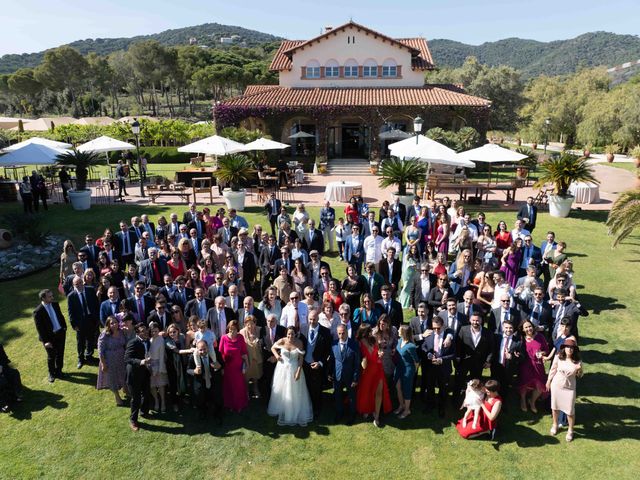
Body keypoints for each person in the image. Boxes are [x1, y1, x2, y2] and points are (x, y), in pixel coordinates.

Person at [267, 326, 314, 426]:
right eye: (289, 334)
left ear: (295, 334)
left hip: (294, 369)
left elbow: (300, 359)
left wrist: (298, 371)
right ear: (286, 334)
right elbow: (273, 347)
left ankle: (293, 411)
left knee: (293, 391)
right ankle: (282, 409)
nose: (290, 336)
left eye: (292, 334)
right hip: (281, 369)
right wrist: (277, 356)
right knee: (281, 390)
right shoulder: (282, 341)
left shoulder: (299, 343)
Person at [547, 338, 583, 442]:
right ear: (564, 348)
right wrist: (549, 380)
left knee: (570, 411)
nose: (569, 349)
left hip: (569, 388)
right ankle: (555, 425)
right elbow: (553, 369)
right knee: (555, 407)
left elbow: (580, 376)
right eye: (568, 347)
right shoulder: (558, 356)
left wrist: (579, 370)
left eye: (572, 348)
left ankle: (570, 430)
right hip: (556, 385)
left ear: (574, 349)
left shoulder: (578, 361)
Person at [356, 325, 391, 427]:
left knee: (378, 392)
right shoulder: (359, 342)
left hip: (378, 368)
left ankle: (376, 416)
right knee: (367, 392)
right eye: (368, 332)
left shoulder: (374, 339)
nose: (371, 333)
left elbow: (378, 351)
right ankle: (367, 409)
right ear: (363, 333)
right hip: (366, 371)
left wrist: (380, 353)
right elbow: (359, 357)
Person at [329, 324, 361, 425]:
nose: (341, 335)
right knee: (338, 396)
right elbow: (332, 361)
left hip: (350, 376)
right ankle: (339, 413)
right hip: (337, 376)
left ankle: (352, 416)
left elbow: (357, 363)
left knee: (352, 397)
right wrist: (329, 373)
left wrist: (355, 379)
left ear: (347, 332)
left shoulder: (354, 345)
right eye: (339, 333)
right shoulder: (334, 344)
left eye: (343, 333)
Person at [302, 309, 332, 417]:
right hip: (305, 364)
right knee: (306, 387)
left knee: (316, 389)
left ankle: (316, 410)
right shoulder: (303, 328)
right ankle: (307, 407)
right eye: (310, 319)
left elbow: (328, 351)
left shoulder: (325, 332)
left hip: (317, 365)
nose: (311, 321)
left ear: (318, 319)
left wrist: (320, 363)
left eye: (314, 319)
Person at [67, 276, 99, 369]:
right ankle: (81, 359)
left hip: (91, 319)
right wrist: (74, 325)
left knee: (91, 339)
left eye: (80, 282)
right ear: (73, 285)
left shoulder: (90, 290)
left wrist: (97, 318)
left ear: (83, 282)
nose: (79, 285)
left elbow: (96, 304)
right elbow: (71, 312)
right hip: (80, 323)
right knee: (80, 342)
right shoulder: (71, 296)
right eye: (77, 284)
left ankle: (89, 356)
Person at [518, 319, 549, 413]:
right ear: (523, 329)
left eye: (529, 326)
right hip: (525, 365)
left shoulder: (540, 336)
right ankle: (523, 400)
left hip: (538, 365)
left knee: (540, 386)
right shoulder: (521, 339)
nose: (528, 329)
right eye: (526, 327)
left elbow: (546, 349)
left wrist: (542, 353)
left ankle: (532, 401)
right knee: (524, 384)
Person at [218, 320, 249, 412]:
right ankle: (230, 404)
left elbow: (244, 352)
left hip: (238, 368)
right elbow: (220, 353)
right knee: (229, 386)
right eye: (230, 329)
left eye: (234, 330)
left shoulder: (240, 337)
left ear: (237, 330)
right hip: (227, 367)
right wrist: (222, 367)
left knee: (238, 387)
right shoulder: (223, 338)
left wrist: (247, 364)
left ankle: (239, 405)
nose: (232, 332)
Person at [125, 323, 151, 431]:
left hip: (145, 372)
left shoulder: (148, 341)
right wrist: (141, 361)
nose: (145, 332)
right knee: (135, 398)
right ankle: (133, 420)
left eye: (146, 330)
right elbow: (127, 358)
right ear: (137, 333)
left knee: (146, 393)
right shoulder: (133, 343)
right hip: (134, 374)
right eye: (142, 331)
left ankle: (144, 412)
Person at [97, 316, 127, 405]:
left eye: (115, 322)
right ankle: (117, 396)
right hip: (110, 360)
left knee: (123, 374)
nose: (114, 325)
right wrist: (103, 363)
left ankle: (126, 389)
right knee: (112, 378)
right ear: (108, 325)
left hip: (121, 358)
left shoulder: (121, 332)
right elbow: (100, 350)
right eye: (112, 323)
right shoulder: (104, 335)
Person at [393, 325, 419, 419]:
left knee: (407, 389)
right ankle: (401, 405)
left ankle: (407, 410)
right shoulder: (400, 341)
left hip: (407, 369)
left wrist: (413, 372)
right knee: (398, 387)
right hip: (399, 368)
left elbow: (416, 361)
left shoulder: (411, 346)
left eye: (399, 330)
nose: (398, 331)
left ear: (404, 332)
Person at [240, 315, 263, 399]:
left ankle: (255, 389)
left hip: (257, 357)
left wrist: (257, 340)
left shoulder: (259, 330)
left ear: (255, 323)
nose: (250, 326)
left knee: (256, 375)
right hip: (247, 358)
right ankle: (246, 390)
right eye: (248, 324)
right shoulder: (242, 332)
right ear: (245, 324)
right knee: (246, 376)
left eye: (252, 324)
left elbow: (262, 343)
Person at [148, 321, 169, 413]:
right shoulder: (148, 339)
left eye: (156, 331)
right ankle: (156, 401)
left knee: (160, 385)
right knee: (152, 385)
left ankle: (163, 401)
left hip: (159, 364)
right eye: (152, 331)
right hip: (150, 365)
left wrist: (160, 369)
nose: (154, 333)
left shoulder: (161, 340)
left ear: (158, 331)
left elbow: (161, 356)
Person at [0, 343, 23, 411]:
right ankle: (2, 404)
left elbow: (4, 358)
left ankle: (17, 394)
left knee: (14, 373)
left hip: (2, 368)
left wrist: (1, 365)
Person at [399, 244, 420, 308]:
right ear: (410, 249)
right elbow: (414, 266)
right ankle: (403, 303)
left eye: (415, 249)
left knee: (411, 288)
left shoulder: (417, 256)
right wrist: (420, 270)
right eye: (412, 248)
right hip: (408, 274)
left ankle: (409, 303)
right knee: (406, 288)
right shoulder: (407, 256)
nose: (414, 250)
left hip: (414, 274)